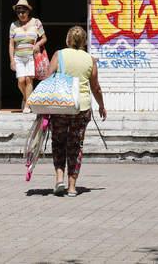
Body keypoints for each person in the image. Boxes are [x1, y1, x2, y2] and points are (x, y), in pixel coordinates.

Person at [47, 25, 106, 197]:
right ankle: (72, 187)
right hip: (82, 108)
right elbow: (96, 87)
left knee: (58, 143)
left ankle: (59, 179)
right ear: (85, 42)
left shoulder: (59, 55)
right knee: (75, 145)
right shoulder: (90, 60)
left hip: (61, 106)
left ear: (67, 40)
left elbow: (48, 77)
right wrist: (102, 106)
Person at [9, 0, 47, 114]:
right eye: (18, 12)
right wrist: (12, 60)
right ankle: (27, 97)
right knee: (21, 80)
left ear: (28, 11)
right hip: (18, 57)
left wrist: (38, 44)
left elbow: (44, 38)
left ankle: (26, 105)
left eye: (23, 12)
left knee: (29, 79)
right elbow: (11, 44)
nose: (21, 14)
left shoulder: (36, 22)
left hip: (32, 56)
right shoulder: (13, 25)